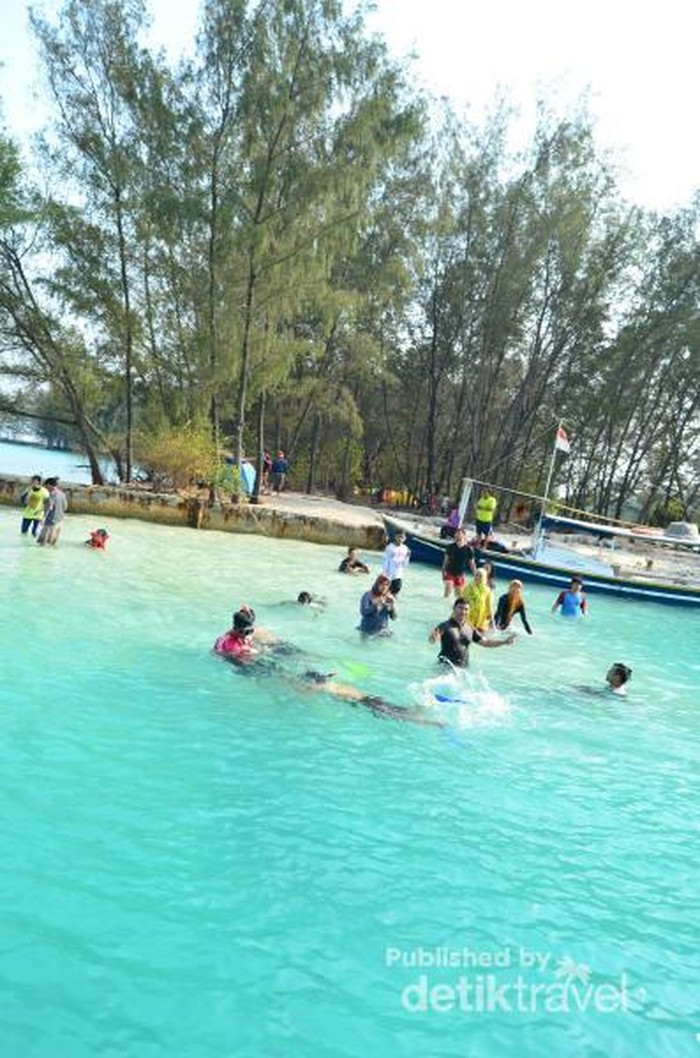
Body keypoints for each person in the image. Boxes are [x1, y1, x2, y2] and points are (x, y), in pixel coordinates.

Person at [428, 598, 515, 668]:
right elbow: (432, 640)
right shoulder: (445, 626)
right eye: (460, 608)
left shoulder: (469, 628)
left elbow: (485, 642)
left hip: (462, 669)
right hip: (445, 667)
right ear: (454, 608)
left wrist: (504, 642)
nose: (463, 611)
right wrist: (433, 637)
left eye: (466, 609)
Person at [441, 528, 477, 598]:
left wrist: (475, 575)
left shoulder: (469, 549)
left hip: (460, 574)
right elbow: (446, 561)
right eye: (456, 534)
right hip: (449, 572)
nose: (457, 535)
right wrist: (443, 571)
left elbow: (472, 564)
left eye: (459, 533)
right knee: (447, 591)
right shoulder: (450, 547)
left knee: (459, 596)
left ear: (464, 535)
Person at [459, 567, 494, 632]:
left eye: (480, 576)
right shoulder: (468, 587)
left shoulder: (487, 590)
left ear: (484, 578)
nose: (477, 577)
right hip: (469, 617)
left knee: (480, 634)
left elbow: (489, 606)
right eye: (476, 575)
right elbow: (461, 601)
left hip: (481, 619)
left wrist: (492, 619)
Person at [37, 477, 68, 546]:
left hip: (50, 521)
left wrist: (43, 517)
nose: (46, 488)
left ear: (49, 485)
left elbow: (49, 507)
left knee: (43, 543)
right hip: (59, 521)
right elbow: (65, 507)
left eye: (46, 486)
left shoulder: (52, 494)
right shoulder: (62, 494)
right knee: (52, 544)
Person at [382, 530, 411, 594]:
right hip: (389, 576)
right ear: (395, 537)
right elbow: (385, 561)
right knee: (385, 594)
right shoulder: (390, 547)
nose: (400, 539)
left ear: (405, 538)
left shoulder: (405, 548)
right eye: (398, 537)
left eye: (402, 537)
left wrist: (407, 556)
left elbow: (405, 564)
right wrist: (385, 574)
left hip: (398, 575)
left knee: (395, 593)